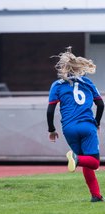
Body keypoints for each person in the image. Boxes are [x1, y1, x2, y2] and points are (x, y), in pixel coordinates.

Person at [47, 46, 104, 202]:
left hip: (69, 128)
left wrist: (51, 129)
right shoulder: (87, 82)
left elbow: (50, 110)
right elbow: (100, 105)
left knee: (86, 161)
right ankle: (75, 158)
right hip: (87, 125)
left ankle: (96, 196)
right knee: (93, 162)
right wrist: (97, 123)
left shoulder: (57, 85)